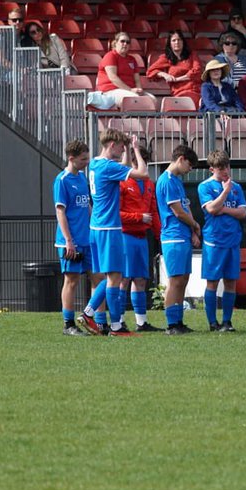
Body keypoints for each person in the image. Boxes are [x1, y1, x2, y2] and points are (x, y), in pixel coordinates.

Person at [80, 129, 149, 337]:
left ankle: (90, 313)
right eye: (120, 147)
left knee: (109, 277)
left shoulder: (95, 163)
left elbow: (123, 168)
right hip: (109, 228)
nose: (122, 150)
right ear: (111, 145)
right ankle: (115, 326)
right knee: (116, 277)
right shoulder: (108, 166)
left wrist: (127, 150)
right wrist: (136, 150)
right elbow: (143, 173)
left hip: (96, 227)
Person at [197, 150, 246, 332]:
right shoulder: (205, 187)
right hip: (214, 241)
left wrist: (224, 209)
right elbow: (211, 209)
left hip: (233, 240)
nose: (225, 171)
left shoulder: (238, 187)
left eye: (227, 166)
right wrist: (225, 192)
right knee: (212, 282)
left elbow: (242, 212)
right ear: (212, 169)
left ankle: (227, 321)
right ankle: (212, 322)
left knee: (231, 281)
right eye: (220, 168)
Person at [156, 144, 202, 334]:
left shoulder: (176, 180)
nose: (190, 170)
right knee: (174, 280)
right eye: (190, 165)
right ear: (181, 159)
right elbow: (177, 211)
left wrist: (192, 229)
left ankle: (178, 321)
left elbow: (185, 207)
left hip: (182, 235)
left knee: (183, 278)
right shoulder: (166, 180)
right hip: (172, 237)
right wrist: (194, 224)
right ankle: (171, 324)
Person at [117, 143, 163, 332]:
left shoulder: (150, 185)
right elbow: (116, 213)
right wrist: (138, 217)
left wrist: (159, 234)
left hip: (141, 236)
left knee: (141, 279)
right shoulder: (122, 183)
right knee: (123, 279)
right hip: (126, 235)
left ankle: (141, 322)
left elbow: (153, 211)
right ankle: (118, 320)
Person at [54, 140, 93, 335]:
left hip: (87, 239)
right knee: (72, 280)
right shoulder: (62, 180)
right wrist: (68, 240)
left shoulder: (82, 179)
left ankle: (97, 320)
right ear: (72, 159)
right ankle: (68, 324)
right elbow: (60, 212)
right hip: (71, 241)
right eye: (83, 158)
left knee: (98, 278)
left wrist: (94, 226)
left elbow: (86, 206)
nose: (87, 162)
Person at [147, 31, 202, 103]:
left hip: (194, 89)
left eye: (179, 40)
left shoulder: (192, 55)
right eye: (174, 40)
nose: (177, 42)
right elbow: (150, 71)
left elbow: (197, 71)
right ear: (170, 43)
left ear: (183, 42)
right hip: (178, 91)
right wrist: (164, 75)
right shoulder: (166, 58)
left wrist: (177, 79)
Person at [96, 32, 143, 108]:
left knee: (152, 99)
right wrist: (130, 90)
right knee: (134, 99)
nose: (125, 44)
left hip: (129, 91)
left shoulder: (132, 59)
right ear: (115, 43)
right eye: (122, 41)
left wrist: (139, 90)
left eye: (128, 42)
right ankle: (128, 118)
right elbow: (113, 77)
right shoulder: (110, 56)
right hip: (111, 90)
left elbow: (137, 80)